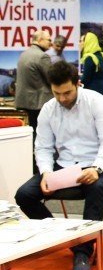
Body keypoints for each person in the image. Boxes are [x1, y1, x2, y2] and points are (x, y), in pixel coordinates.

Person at [14, 61, 103, 270]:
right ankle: (63, 238)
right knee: (24, 195)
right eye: (57, 93)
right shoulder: (48, 109)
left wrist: (97, 168)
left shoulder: (96, 101)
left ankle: (82, 252)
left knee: (96, 188)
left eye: (67, 93)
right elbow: (43, 147)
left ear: (78, 84)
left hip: (98, 163)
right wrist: (45, 173)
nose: (62, 98)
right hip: (64, 166)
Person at [15, 30, 54, 172]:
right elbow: (53, 79)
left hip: (25, 101)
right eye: (48, 40)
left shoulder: (24, 54)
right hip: (39, 102)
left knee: (33, 134)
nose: (51, 43)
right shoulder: (42, 56)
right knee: (43, 137)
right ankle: (42, 168)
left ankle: (32, 166)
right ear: (39, 40)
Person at [80, 32, 103, 99]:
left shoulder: (90, 58)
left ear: (88, 42)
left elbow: (85, 79)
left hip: (91, 95)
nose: (80, 43)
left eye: (81, 41)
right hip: (101, 93)